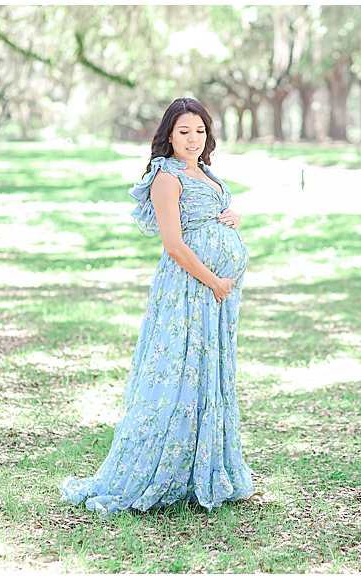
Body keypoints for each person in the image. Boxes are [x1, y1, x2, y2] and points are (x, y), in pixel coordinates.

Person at [59, 97, 254, 516]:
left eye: (200, 131)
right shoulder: (166, 177)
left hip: (216, 296)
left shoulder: (205, 173)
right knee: (179, 373)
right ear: (169, 134)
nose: (193, 139)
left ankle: (199, 468)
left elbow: (207, 215)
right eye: (184, 131)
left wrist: (231, 214)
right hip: (189, 290)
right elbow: (174, 243)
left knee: (207, 373)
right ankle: (162, 469)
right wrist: (214, 280)